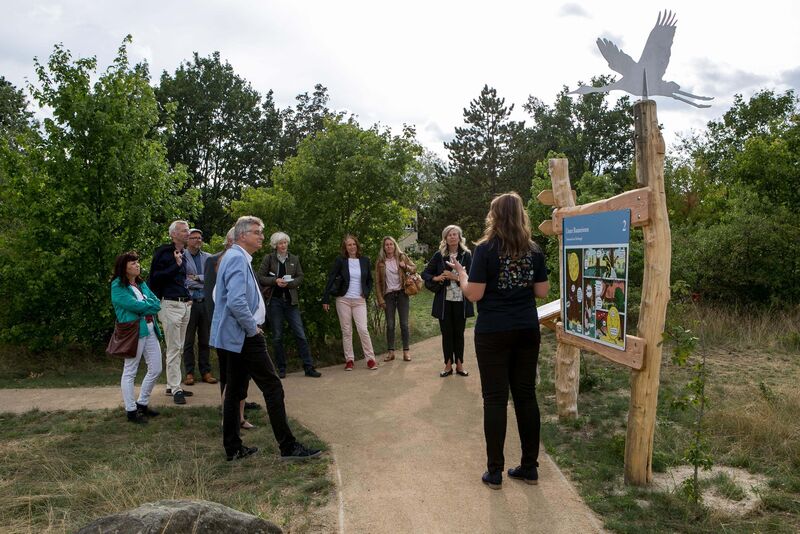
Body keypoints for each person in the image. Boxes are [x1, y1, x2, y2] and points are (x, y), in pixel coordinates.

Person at [448, 192, 549, 490]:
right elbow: (542, 291)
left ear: (495, 215)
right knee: (526, 396)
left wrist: (463, 275)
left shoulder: (485, 249)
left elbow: (474, 294)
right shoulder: (533, 250)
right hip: (526, 328)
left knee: (494, 399)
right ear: (520, 215)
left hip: (493, 330)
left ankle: (495, 472)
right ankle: (530, 467)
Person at [210, 215, 321, 461]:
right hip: (244, 335)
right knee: (272, 387)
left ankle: (233, 447)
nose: (261, 236)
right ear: (242, 235)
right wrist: (252, 329)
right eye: (257, 232)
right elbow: (237, 302)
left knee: (234, 390)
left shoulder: (234, 257)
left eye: (262, 232)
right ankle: (288, 447)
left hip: (232, 336)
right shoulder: (237, 259)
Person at [205, 228, 257, 429]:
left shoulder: (245, 259)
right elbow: (213, 298)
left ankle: (240, 416)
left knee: (242, 376)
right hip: (228, 329)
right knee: (230, 377)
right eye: (230, 241)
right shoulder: (218, 260)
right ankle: (229, 420)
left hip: (243, 327)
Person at [257, 232, 321, 379]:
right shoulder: (269, 258)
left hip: (291, 302)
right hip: (275, 302)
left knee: (301, 335)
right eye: (280, 243)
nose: (283, 245)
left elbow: (300, 276)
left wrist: (290, 284)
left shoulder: (294, 259)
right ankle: (281, 368)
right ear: (275, 245)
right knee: (278, 336)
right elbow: (260, 277)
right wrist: (275, 281)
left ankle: (308, 367)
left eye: (285, 242)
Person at [110, 252, 163, 424]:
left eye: (137, 262)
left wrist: (147, 306)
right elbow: (133, 305)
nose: (137, 265)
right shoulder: (117, 286)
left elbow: (156, 303)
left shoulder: (141, 283)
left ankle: (142, 403)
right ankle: (131, 410)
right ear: (123, 267)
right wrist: (148, 306)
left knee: (156, 368)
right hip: (133, 331)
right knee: (130, 370)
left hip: (149, 329)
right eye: (132, 263)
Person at [148, 220, 193, 405]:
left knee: (179, 347)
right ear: (173, 234)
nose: (187, 233)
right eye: (184, 230)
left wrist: (188, 295)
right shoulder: (163, 252)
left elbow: (181, 280)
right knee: (174, 347)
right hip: (169, 304)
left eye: (188, 230)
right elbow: (155, 278)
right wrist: (175, 265)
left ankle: (171, 384)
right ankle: (176, 389)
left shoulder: (184, 253)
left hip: (183, 304)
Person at [422, 225, 474, 377]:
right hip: (444, 303)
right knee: (447, 334)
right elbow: (425, 273)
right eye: (449, 235)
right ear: (445, 238)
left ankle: (459, 365)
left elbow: (472, 277)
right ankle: (447, 365)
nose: (452, 237)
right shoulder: (439, 255)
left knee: (459, 333)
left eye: (455, 234)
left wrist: (456, 277)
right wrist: (436, 278)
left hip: (461, 301)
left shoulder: (467, 255)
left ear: (459, 237)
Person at [322, 234, 377, 371]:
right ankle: (349, 360)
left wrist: (367, 292)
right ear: (345, 248)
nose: (352, 247)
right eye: (349, 245)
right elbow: (331, 278)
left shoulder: (365, 260)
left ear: (357, 246)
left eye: (353, 244)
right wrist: (326, 298)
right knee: (346, 331)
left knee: (363, 329)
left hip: (359, 300)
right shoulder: (340, 261)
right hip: (343, 300)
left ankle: (370, 359)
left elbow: (370, 280)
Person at [183, 228, 217, 386]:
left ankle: (206, 372)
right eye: (194, 238)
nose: (198, 240)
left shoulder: (209, 258)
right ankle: (189, 373)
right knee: (188, 341)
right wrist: (199, 281)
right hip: (189, 303)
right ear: (187, 240)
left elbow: (212, 279)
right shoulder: (181, 257)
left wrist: (197, 277)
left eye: (200, 238)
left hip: (205, 303)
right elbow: (183, 281)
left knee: (205, 339)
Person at [375, 236, 415, 362]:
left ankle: (406, 352)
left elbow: (414, 268)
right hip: (388, 296)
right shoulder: (380, 262)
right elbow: (377, 282)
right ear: (384, 247)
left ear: (394, 245)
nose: (389, 246)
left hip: (402, 293)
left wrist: (405, 267)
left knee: (404, 324)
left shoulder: (402, 256)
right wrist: (380, 299)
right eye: (386, 244)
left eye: (391, 244)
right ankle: (391, 352)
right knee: (390, 325)